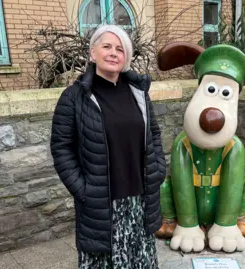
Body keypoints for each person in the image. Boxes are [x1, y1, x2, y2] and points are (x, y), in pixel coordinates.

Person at [50, 24, 166, 269]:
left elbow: (153, 134)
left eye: (120, 49)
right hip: (102, 201)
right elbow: (61, 148)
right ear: (93, 53)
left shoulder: (138, 93)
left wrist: (158, 170)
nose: (114, 53)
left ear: (126, 57)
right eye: (107, 46)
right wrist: (83, 190)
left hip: (140, 201)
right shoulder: (74, 97)